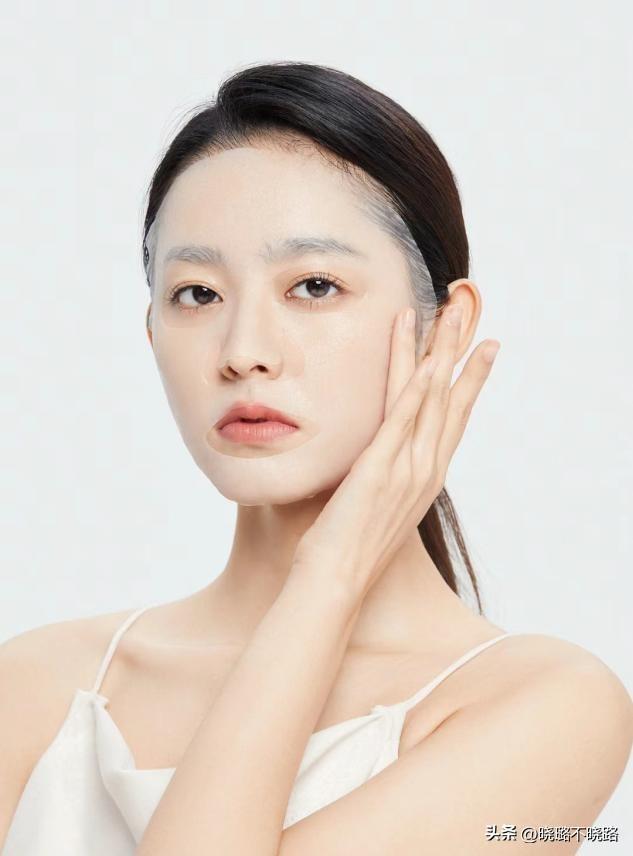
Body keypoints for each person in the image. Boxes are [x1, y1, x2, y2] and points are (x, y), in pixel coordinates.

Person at [1, 61, 631, 855]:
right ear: (151, 328)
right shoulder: (35, 686)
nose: (243, 351)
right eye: (197, 294)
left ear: (443, 327)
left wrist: (329, 577)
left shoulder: (545, 707)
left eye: (314, 286)